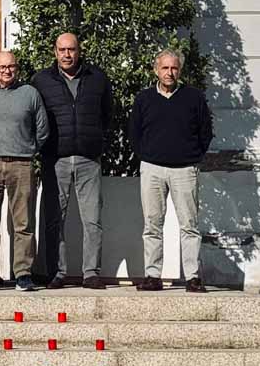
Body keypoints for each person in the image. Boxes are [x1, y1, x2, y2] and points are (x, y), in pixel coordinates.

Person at [32, 33, 113, 290]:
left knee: (92, 219)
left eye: (71, 49)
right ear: (54, 52)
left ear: (79, 51)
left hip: (89, 158)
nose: (67, 55)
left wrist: (96, 141)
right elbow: (34, 117)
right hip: (55, 158)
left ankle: (91, 273)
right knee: (54, 218)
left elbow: (107, 115)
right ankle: (56, 272)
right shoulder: (41, 81)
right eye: (62, 50)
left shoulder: (97, 78)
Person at [130, 49, 213, 293]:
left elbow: (205, 131)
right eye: (165, 68)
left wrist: (193, 155)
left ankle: (193, 277)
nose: (169, 72)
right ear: (156, 70)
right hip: (152, 168)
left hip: (185, 169)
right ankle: (152, 276)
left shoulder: (194, 98)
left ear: (180, 70)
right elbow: (134, 132)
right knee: (152, 224)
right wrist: (146, 154)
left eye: (174, 68)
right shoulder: (144, 98)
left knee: (189, 225)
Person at [0, 50, 48, 292]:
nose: (7, 71)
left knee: (23, 223)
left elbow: (42, 129)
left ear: (17, 68)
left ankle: (23, 273)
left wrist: (28, 149)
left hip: (22, 164)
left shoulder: (30, 94)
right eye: (2, 67)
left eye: (11, 66)